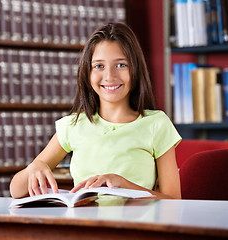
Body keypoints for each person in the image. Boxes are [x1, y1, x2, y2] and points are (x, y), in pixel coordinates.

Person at [10, 23, 182, 199]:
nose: (109, 76)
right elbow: (16, 191)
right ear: (87, 73)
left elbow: (174, 200)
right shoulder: (73, 125)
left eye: (121, 65)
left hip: (136, 224)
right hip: (85, 224)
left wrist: (123, 185)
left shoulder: (157, 124)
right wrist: (34, 167)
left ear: (135, 70)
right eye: (99, 66)